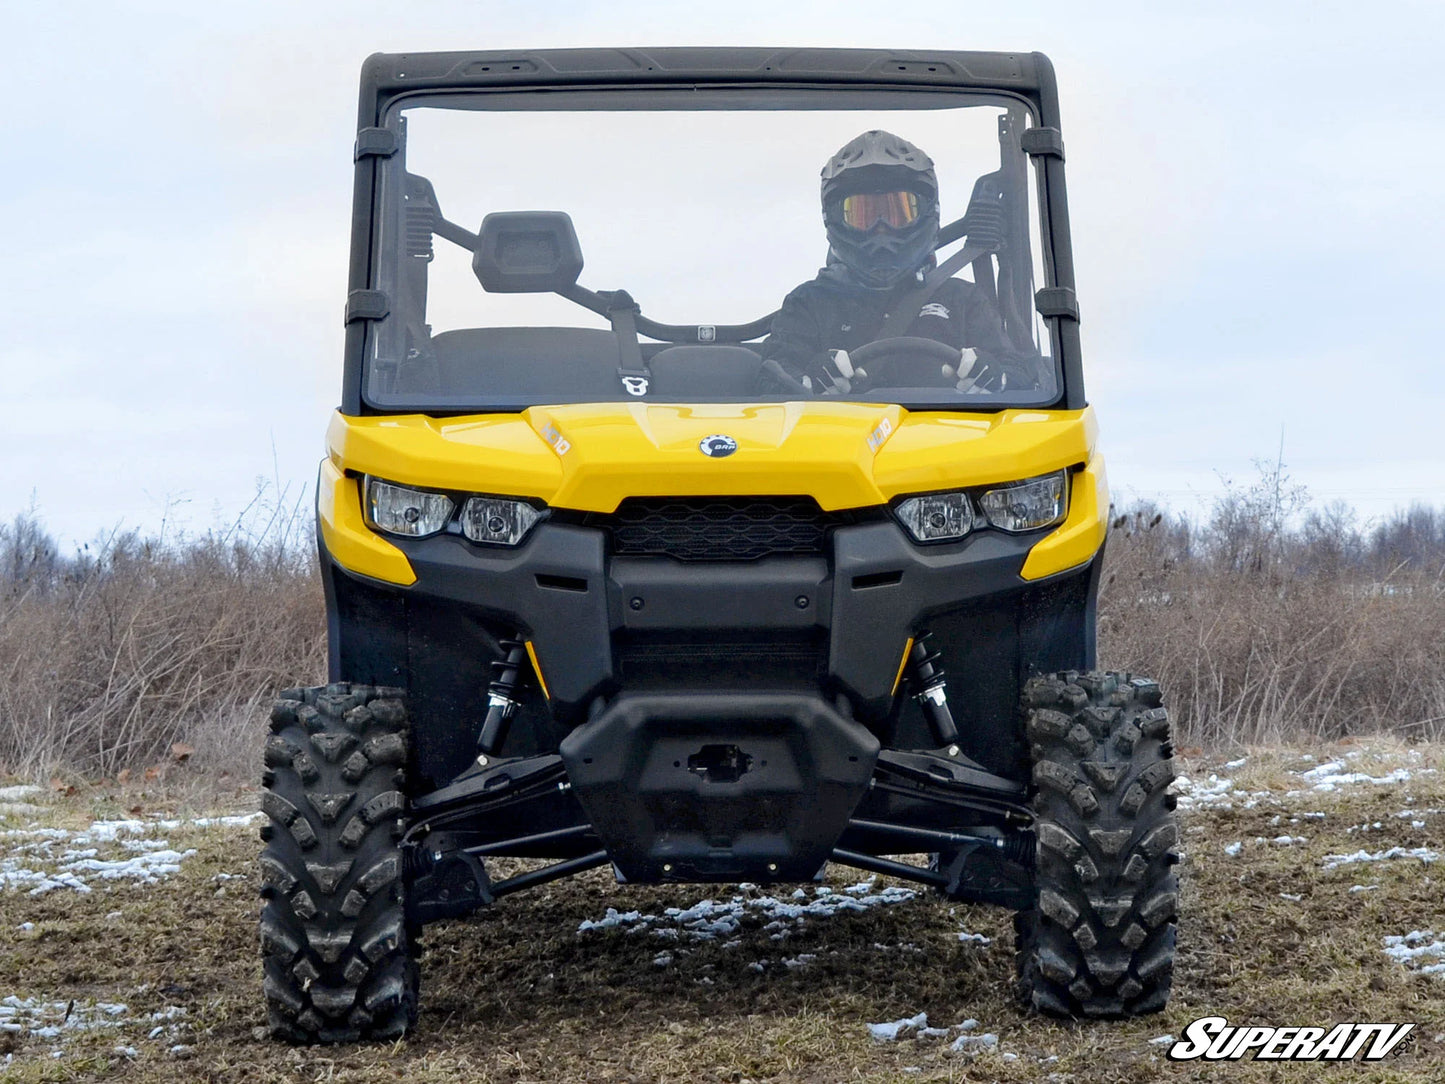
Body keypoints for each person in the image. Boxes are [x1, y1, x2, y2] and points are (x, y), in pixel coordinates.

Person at [759, 129, 1013, 395]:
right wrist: (810, 379)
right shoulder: (809, 302)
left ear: (928, 212)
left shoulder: (961, 299)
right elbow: (771, 376)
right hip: (839, 434)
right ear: (834, 219)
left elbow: (1022, 371)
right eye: (863, 215)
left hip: (948, 434)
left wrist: (997, 377)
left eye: (897, 212)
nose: (881, 230)